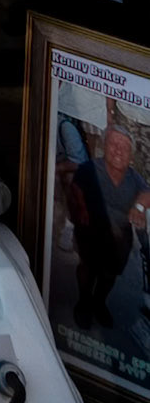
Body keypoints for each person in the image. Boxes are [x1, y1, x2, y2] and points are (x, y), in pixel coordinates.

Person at [67, 125, 150, 330]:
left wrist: (139, 207)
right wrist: (81, 209)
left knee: (109, 274)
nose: (118, 150)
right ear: (104, 146)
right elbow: (74, 190)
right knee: (87, 267)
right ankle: (84, 302)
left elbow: (147, 192)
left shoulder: (133, 177)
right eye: (113, 144)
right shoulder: (90, 169)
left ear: (130, 155)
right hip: (90, 231)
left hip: (119, 238)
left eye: (123, 146)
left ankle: (99, 302)